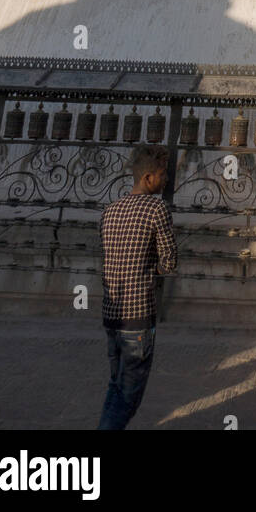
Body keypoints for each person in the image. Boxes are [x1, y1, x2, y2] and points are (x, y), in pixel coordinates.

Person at [97, 143, 177, 430]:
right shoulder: (157, 208)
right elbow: (170, 261)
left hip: (111, 313)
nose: (165, 180)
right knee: (129, 395)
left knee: (116, 384)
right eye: (162, 174)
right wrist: (150, 268)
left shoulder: (110, 210)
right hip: (138, 315)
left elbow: (107, 256)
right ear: (148, 178)